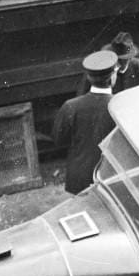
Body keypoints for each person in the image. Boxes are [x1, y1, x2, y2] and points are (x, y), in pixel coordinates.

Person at [53, 50, 117, 194]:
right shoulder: (120, 106)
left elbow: (59, 140)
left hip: (79, 179)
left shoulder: (71, 106)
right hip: (111, 179)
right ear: (113, 77)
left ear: (88, 77)